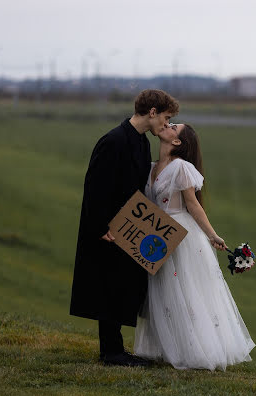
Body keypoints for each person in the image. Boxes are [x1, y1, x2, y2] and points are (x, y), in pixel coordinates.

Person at [70, 89, 179, 366]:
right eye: (166, 118)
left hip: (128, 226)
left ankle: (116, 349)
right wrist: (100, 225)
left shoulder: (141, 143)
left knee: (121, 284)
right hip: (108, 229)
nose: (166, 125)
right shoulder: (113, 141)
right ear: (152, 112)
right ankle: (111, 352)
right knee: (107, 285)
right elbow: (95, 187)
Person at [134, 123, 255, 370]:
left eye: (173, 127)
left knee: (185, 289)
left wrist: (212, 235)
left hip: (180, 234)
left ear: (177, 142)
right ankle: (170, 346)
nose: (167, 125)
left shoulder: (181, 167)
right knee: (164, 289)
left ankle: (197, 349)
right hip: (157, 233)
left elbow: (193, 205)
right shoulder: (151, 168)